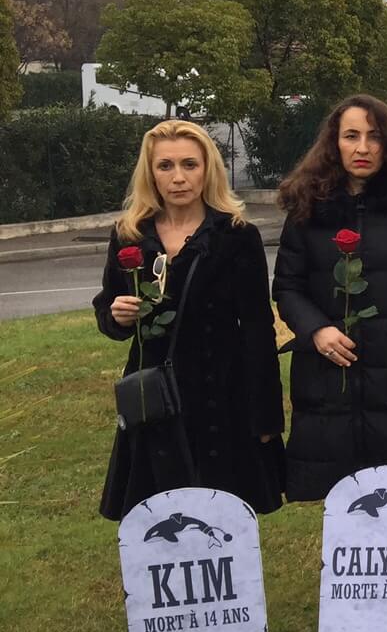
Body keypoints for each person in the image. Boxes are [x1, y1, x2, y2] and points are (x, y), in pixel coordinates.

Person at [93, 119, 284, 519]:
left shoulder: (236, 236)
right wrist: (118, 316)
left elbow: (256, 329)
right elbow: (109, 308)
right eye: (165, 166)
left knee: (222, 519)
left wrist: (265, 414)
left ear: (207, 169)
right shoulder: (129, 235)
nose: (178, 178)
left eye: (189, 165)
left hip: (222, 396)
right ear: (151, 173)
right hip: (153, 395)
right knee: (156, 519)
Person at [272, 94, 387, 499]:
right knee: (340, 505)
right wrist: (316, 329)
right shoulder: (306, 208)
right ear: (334, 143)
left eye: (374, 137)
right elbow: (287, 286)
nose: (362, 147)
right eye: (351, 136)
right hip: (327, 380)